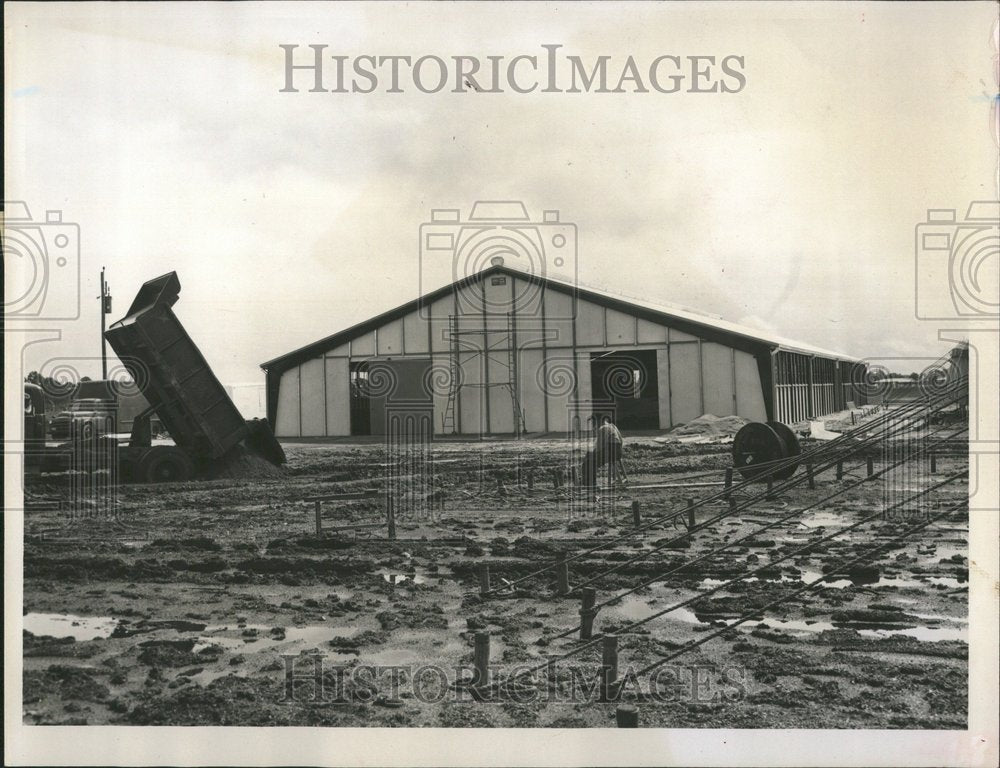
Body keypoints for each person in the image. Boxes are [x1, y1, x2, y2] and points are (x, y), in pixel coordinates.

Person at [581, 414, 627, 488]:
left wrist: (590, 454)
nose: (593, 425)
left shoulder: (602, 428)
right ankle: (588, 482)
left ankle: (590, 483)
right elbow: (621, 441)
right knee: (590, 457)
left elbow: (599, 447)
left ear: (598, 422)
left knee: (588, 462)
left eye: (594, 423)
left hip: (612, 453)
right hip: (618, 452)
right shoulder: (612, 426)